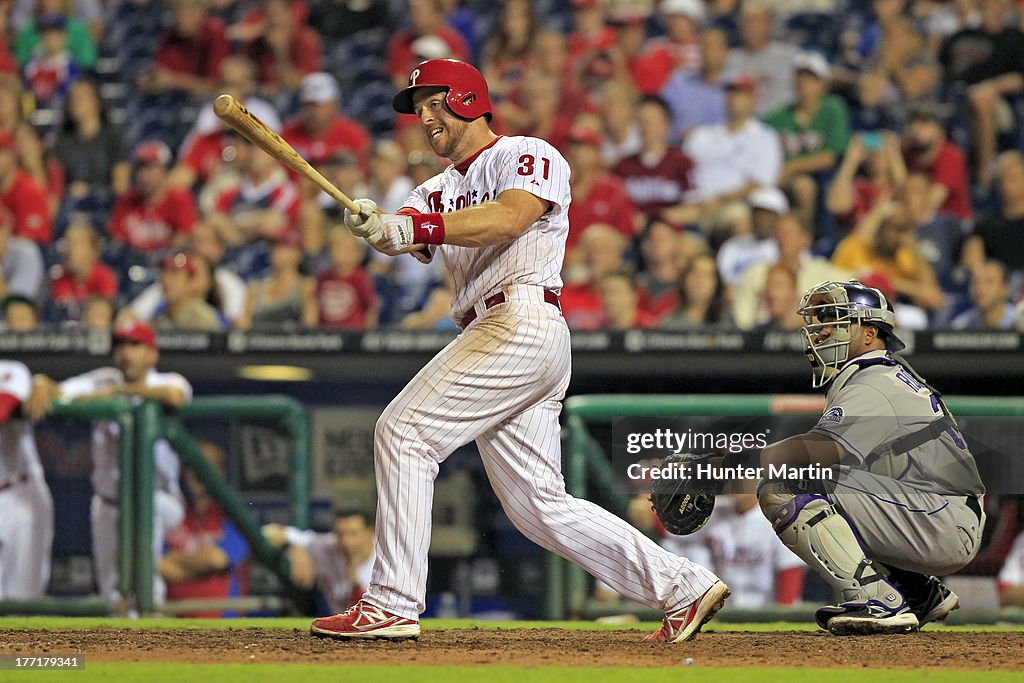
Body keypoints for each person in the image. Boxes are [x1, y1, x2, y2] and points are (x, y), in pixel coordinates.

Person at [312, 58, 728, 642]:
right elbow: (410, 229)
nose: (425, 118)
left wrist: (415, 230)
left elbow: (509, 218)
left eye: (435, 103)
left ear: (467, 99)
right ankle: (682, 586)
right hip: (500, 331)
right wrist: (381, 227)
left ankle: (392, 601)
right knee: (538, 507)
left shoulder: (527, 153)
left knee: (403, 431)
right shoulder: (435, 188)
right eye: (419, 109)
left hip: (521, 320)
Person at [754, 280, 985, 634]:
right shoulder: (879, 374)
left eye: (834, 318)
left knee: (789, 483)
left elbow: (817, 450)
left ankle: (877, 601)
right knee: (838, 486)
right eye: (818, 319)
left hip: (942, 520)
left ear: (869, 333)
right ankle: (916, 591)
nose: (821, 329)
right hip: (939, 511)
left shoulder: (875, 379)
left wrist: (727, 462)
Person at [27, 320, 191, 605]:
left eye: (135, 345)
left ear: (152, 354)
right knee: (110, 589)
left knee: (146, 582)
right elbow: (57, 390)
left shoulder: (166, 380)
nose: (127, 352)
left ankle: (154, 630)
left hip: (158, 499)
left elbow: (174, 396)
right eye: (121, 345)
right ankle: (120, 645)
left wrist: (116, 395)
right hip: (108, 502)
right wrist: (41, 382)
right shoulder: (103, 378)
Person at [161, 440, 250, 618]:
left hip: (222, 631)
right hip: (172, 628)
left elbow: (216, 559)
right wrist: (200, 563)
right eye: (193, 467)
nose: (198, 473)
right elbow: (159, 566)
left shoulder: (235, 516)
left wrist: (178, 562)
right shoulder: (174, 515)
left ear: (221, 473)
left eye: (207, 466)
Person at [0, 360, 53, 600]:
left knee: (23, 599)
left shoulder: (10, 370)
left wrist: (41, 383)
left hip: (19, 495)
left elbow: (3, 408)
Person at [263, 508, 376, 615]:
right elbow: (269, 532)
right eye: (340, 534)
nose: (346, 541)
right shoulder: (328, 546)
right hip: (335, 624)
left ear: (369, 532)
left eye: (353, 534)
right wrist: (296, 548)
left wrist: (354, 580)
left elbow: (370, 613)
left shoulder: (385, 559)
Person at [108, 141, 198, 256]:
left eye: (151, 168)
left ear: (164, 171)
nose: (144, 175)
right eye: (141, 168)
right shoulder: (127, 200)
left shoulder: (179, 198)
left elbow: (184, 237)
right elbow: (117, 240)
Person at [951, 260, 1016, 329]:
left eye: (989, 282)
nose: (980, 288)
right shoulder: (961, 327)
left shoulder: (1019, 322)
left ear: (1005, 289)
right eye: (975, 282)